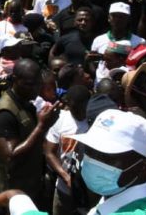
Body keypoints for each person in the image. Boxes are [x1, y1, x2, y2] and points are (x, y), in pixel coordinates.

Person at [0, 109, 146, 215]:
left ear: (142, 168)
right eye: (90, 151)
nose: (92, 161)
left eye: (107, 156)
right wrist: (17, 198)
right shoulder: (117, 198)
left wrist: (16, 199)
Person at [0, 59, 58, 201]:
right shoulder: (6, 112)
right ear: (15, 80)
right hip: (4, 196)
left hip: (24, 189)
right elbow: (10, 156)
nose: (35, 88)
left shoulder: (25, 103)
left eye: (38, 84)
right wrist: (41, 127)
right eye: (29, 84)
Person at [43, 85, 90, 215]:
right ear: (69, 104)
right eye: (77, 108)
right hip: (64, 189)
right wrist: (66, 177)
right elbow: (49, 152)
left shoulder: (94, 120)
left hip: (88, 191)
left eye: (84, 107)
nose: (81, 112)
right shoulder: (60, 120)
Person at [92, 2, 144, 83]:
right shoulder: (98, 40)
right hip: (101, 85)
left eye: (122, 17)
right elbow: (94, 64)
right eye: (114, 16)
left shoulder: (139, 42)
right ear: (109, 18)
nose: (118, 19)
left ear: (128, 19)